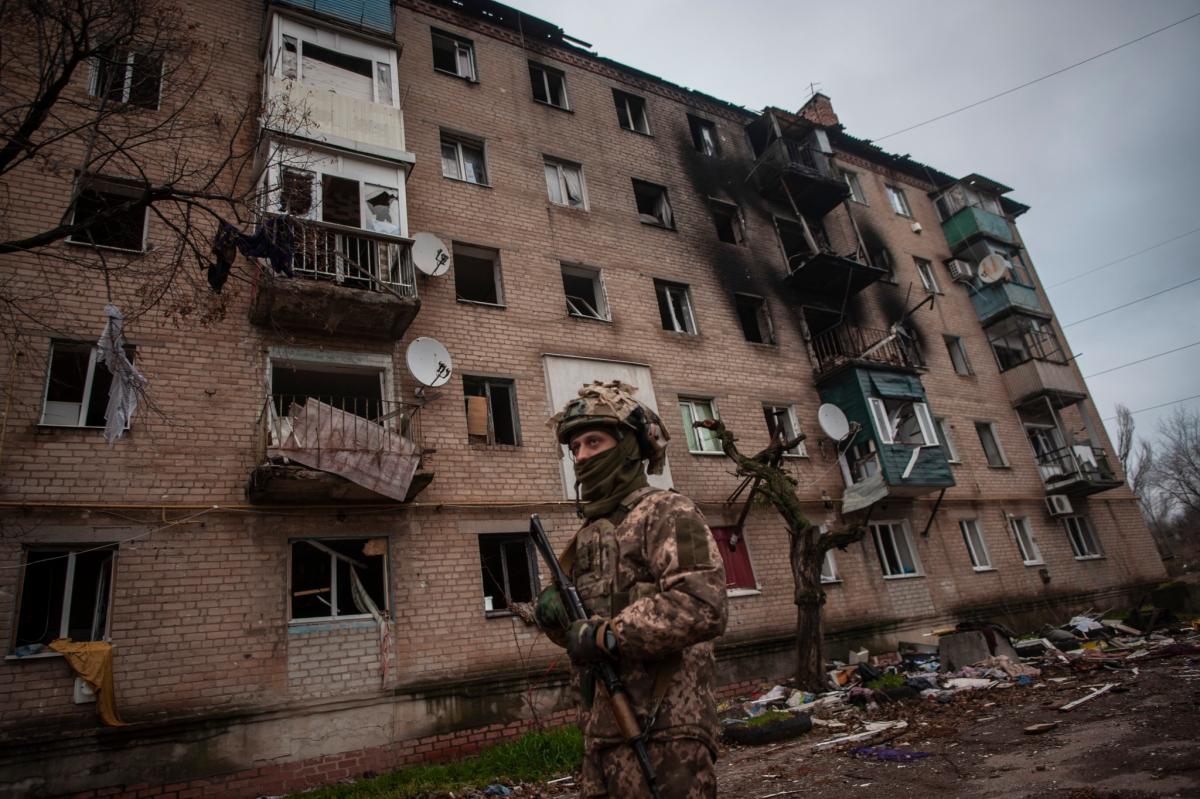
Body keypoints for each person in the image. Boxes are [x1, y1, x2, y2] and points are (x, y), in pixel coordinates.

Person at [537, 381, 727, 798]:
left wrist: (609, 635)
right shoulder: (587, 537)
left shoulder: (667, 511)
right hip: (602, 732)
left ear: (628, 445)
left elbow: (702, 603)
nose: (582, 456)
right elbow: (580, 635)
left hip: (668, 730)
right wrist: (555, 616)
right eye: (574, 449)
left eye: (593, 441)